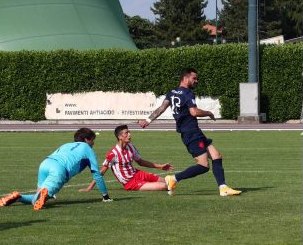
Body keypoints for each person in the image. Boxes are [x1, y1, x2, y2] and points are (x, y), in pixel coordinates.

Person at [139, 67, 241, 196]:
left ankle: (223, 187)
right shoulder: (188, 93)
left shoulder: (172, 93)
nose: (196, 81)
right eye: (194, 78)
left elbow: (162, 108)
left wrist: (148, 119)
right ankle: (173, 178)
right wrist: (208, 112)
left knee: (216, 156)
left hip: (194, 132)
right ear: (185, 78)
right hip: (191, 133)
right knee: (204, 166)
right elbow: (194, 112)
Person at [0, 128, 111, 210]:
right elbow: (96, 174)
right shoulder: (88, 149)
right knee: (40, 200)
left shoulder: (66, 144)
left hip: (45, 164)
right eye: (92, 140)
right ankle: (41, 195)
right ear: (86, 140)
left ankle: (18, 197)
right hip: (59, 169)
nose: (93, 143)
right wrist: (105, 196)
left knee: (37, 198)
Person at [79, 124, 173, 193]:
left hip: (137, 174)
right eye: (126, 133)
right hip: (130, 182)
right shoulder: (113, 153)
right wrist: (89, 188)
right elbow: (102, 171)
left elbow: (140, 162)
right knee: (164, 186)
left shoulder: (131, 147)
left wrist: (160, 166)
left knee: (168, 181)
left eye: (129, 132)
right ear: (120, 137)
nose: (129, 135)